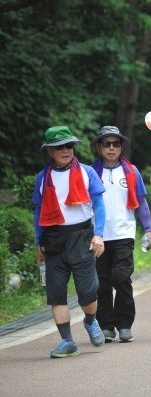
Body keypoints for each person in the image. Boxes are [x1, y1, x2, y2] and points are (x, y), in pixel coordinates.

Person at [33, 126, 106, 358]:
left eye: (69, 146)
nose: (65, 150)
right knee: (56, 293)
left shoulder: (86, 172)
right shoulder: (42, 178)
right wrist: (38, 244)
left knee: (88, 291)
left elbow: (100, 206)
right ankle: (67, 341)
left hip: (82, 235)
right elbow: (38, 212)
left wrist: (99, 234)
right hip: (53, 238)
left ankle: (90, 320)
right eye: (59, 147)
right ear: (49, 151)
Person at [91, 126, 151, 343]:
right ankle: (106, 326)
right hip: (98, 236)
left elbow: (142, 202)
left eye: (115, 144)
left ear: (121, 147)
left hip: (124, 234)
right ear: (99, 146)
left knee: (121, 278)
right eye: (106, 143)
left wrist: (149, 229)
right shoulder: (89, 172)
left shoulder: (131, 171)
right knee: (102, 283)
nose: (111, 148)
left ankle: (125, 324)